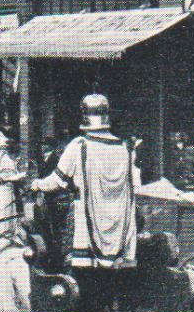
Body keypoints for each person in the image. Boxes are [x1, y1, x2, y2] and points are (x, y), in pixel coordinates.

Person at [30, 94, 142, 270]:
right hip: (121, 229)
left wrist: (36, 184)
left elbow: (57, 182)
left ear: (83, 117)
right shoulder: (125, 147)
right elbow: (135, 185)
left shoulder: (79, 145)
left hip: (87, 224)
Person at [0, 130, 32, 253]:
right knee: (4, 216)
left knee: (0, 216)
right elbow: (6, 175)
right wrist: (20, 177)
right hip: (3, 191)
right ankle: (2, 244)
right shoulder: (1, 157)